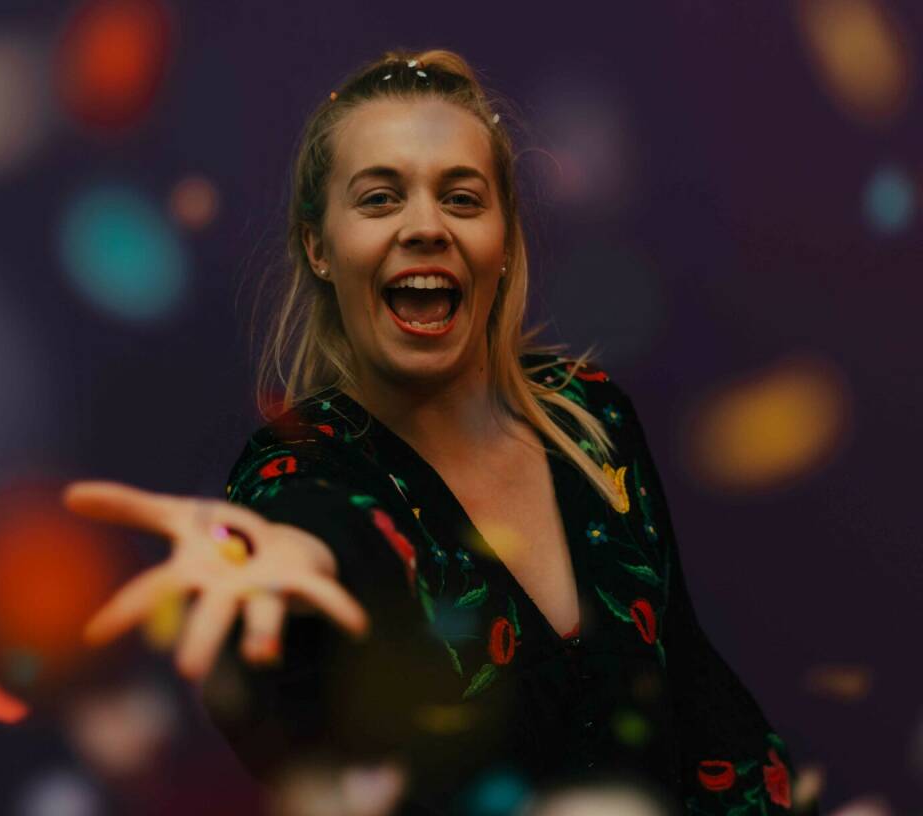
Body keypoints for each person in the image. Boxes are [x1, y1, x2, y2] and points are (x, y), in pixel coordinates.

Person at [63, 49, 818, 816]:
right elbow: (313, 529)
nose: (425, 227)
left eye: (461, 198)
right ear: (319, 246)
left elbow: (698, 702)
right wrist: (274, 559)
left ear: (504, 239)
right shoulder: (298, 465)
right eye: (379, 198)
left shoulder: (592, 416)